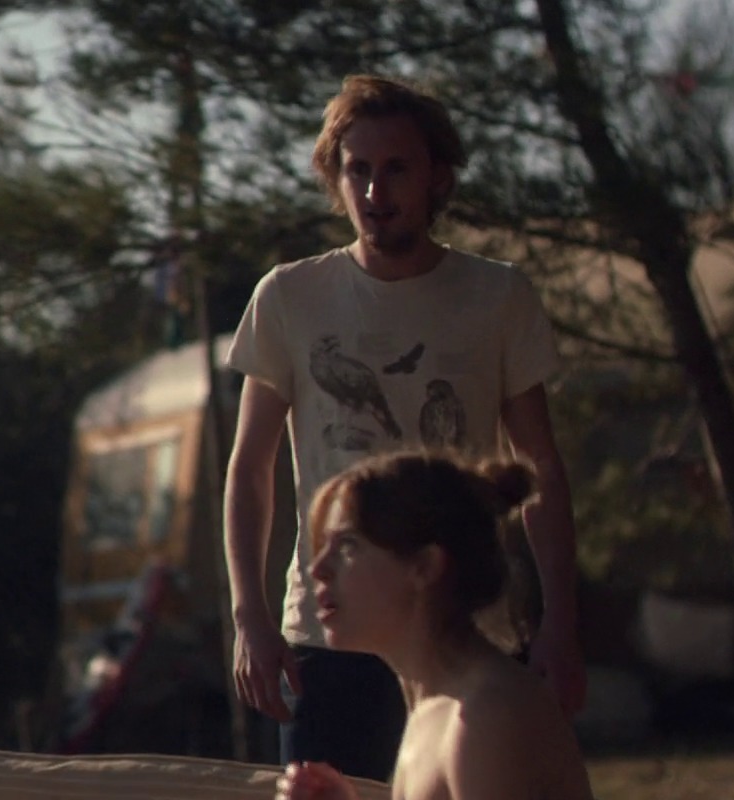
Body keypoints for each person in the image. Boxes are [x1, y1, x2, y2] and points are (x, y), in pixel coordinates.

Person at [222, 73, 585, 781]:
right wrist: (250, 618)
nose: (374, 190)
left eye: (395, 169)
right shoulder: (290, 297)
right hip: (332, 635)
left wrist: (561, 624)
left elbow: (539, 466)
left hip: (467, 631)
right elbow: (250, 469)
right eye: (357, 169)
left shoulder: (498, 296)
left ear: (436, 178)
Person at [273, 452, 594, 800]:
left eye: (349, 546)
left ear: (425, 566)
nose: (318, 569)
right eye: (325, 546)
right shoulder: (436, 706)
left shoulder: (485, 716)